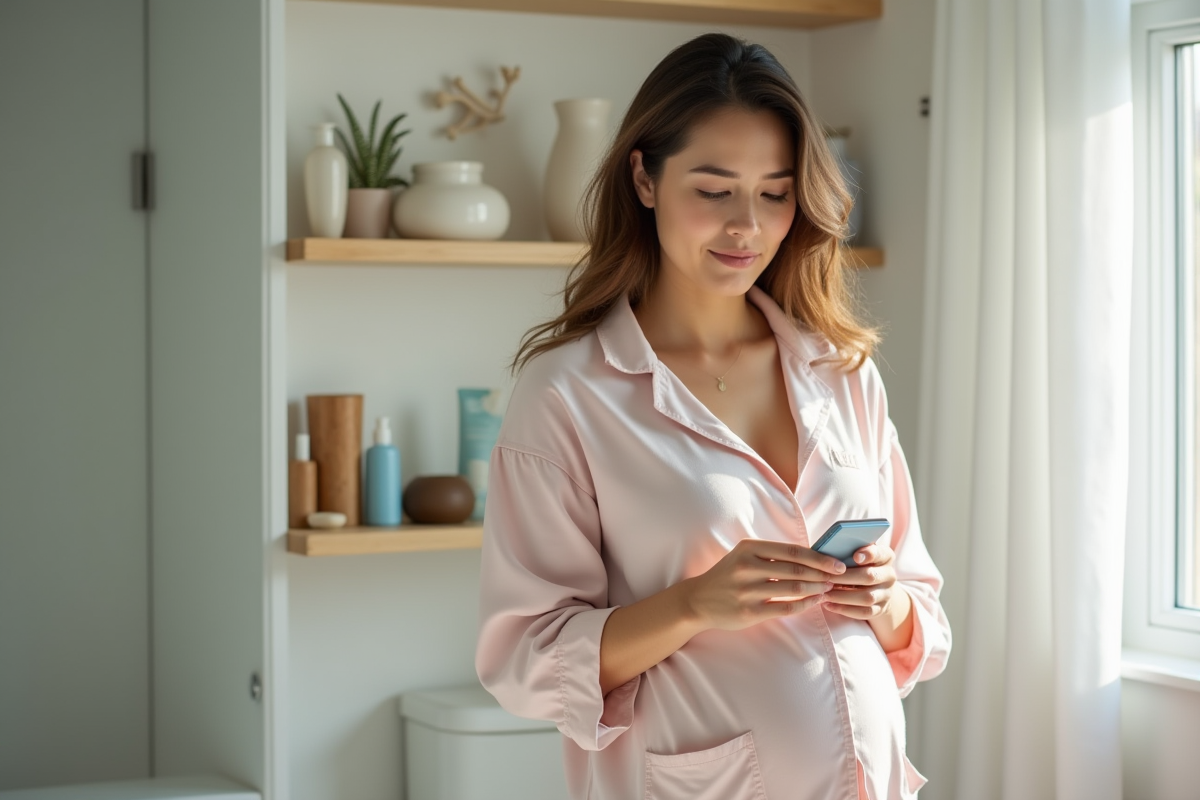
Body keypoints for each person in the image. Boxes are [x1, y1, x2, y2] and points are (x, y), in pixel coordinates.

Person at [474, 32, 951, 800]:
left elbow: (920, 615)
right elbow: (523, 659)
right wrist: (694, 603)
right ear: (646, 178)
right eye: (713, 188)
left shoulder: (842, 373)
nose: (748, 228)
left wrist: (885, 599)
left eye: (774, 192)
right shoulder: (569, 395)